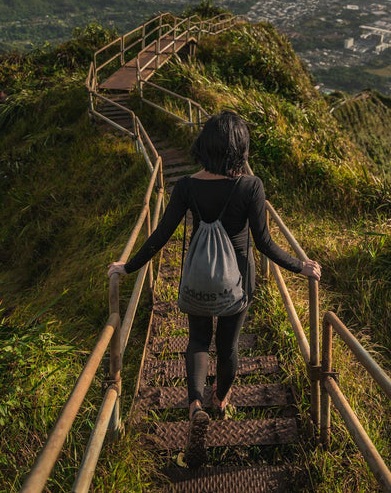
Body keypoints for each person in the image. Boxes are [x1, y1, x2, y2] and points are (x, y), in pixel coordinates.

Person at [108, 110, 321, 467]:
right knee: (228, 346)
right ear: (240, 149)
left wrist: (127, 267)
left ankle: (193, 406)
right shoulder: (251, 187)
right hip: (237, 284)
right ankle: (220, 401)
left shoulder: (187, 186)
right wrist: (301, 266)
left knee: (196, 341)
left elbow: (160, 235)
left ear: (206, 145)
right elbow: (265, 244)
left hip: (197, 278)